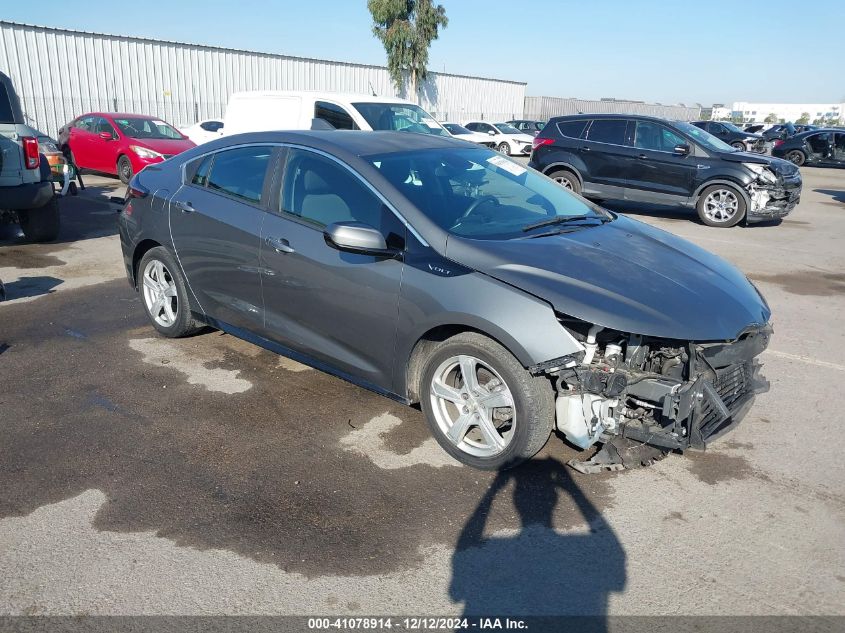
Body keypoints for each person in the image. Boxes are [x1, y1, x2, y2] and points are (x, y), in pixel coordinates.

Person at [449, 457, 626, 631]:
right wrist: (573, 489)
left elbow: (458, 584)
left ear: (515, 501)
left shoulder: (498, 550)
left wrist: (493, 492)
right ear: (555, 499)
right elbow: (615, 558)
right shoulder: (577, 550)